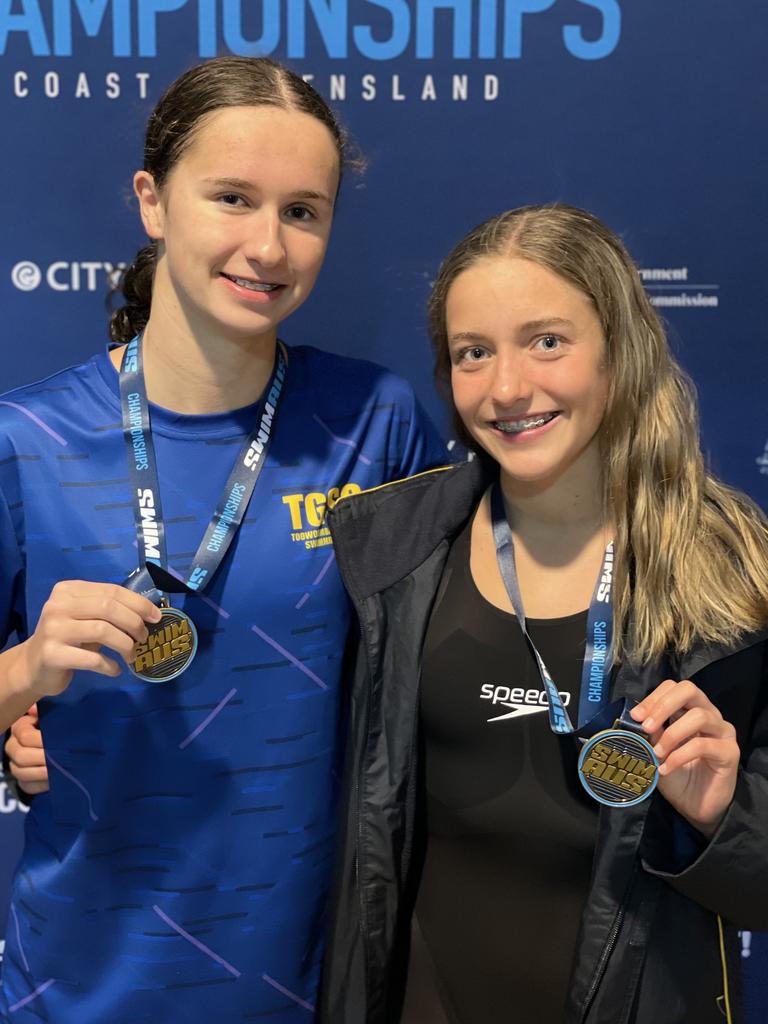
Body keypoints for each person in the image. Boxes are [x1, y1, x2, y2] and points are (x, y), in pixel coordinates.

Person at [0, 56, 445, 1022]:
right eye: (233, 198)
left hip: (315, 989)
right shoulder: (25, 443)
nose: (268, 245)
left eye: (303, 211)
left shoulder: (376, 425)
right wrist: (23, 674)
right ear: (153, 203)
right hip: (77, 992)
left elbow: (435, 690)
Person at [318, 204, 768, 1023]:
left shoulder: (734, 577)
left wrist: (721, 815)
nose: (508, 388)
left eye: (547, 341)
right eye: (473, 354)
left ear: (620, 349)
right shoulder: (391, 551)